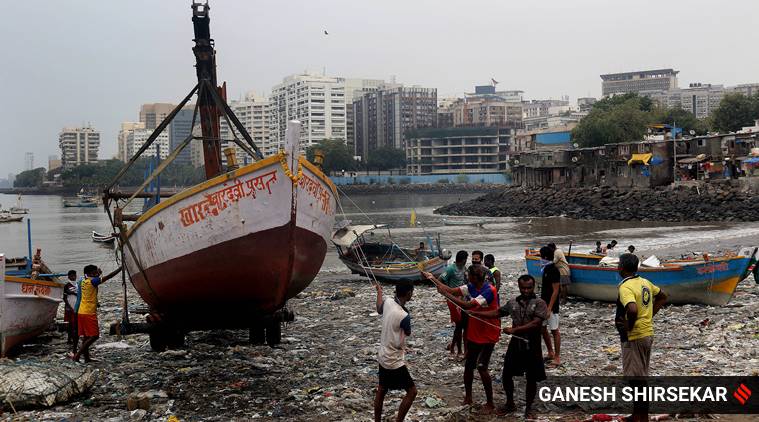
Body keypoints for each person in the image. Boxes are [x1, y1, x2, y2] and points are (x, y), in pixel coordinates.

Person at [425, 265, 500, 413]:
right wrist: (433, 279)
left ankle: (490, 403)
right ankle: (468, 397)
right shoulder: (471, 286)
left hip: (488, 332)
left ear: (475, 277)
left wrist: (445, 295)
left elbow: (467, 305)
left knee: (482, 367)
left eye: (469, 275)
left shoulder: (489, 290)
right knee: (469, 365)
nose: (467, 277)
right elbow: (452, 290)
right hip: (474, 331)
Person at [470, 275, 547, 418]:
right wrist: (477, 313)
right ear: (519, 287)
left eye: (529, 288)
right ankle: (510, 403)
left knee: (531, 378)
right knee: (506, 375)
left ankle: (529, 408)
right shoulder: (513, 303)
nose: (525, 290)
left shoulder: (540, 303)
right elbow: (498, 312)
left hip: (532, 344)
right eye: (523, 288)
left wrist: (514, 330)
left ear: (533, 287)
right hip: (516, 345)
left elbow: (536, 323)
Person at [614, 253, 667, 422]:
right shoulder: (644, 282)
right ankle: (637, 414)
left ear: (621, 267)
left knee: (637, 382)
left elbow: (632, 309)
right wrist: (649, 316)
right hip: (647, 333)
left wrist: (629, 326)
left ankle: (642, 417)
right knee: (640, 376)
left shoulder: (625, 287)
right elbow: (662, 296)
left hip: (634, 337)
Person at [374, 280, 417, 422]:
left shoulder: (388, 302)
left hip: (383, 354)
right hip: (394, 359)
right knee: (412, 391)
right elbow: (408, 332)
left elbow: (379, 308)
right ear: (409, 293)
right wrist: (406, 313)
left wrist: (379, 292)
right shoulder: (404, 315)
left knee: (382, 389)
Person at [73, 265, 121, 363]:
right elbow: (109, 276)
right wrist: (121, 268)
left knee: (86, 336)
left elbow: (96, 280)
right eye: (94, 273)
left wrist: (98, 274)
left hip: (81, 311)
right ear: (90, 274)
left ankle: (86, 358)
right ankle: (77, 356)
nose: (96, 274)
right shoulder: (93, 281)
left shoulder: (83, 281)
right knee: (94, 336)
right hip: (88, 312)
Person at [439, 250, 468, 358]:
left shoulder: (464, 268)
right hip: (453, 300)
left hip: (462, 299)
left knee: (462, 325)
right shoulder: (451, 268)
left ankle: (454, 348)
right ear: (464, 259)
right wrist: (447, 291)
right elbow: (440, 279)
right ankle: (458, 350)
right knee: (459, 325)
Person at [539, 246, 561, 367]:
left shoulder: (553, 270)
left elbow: (556, 290)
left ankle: (557, 357)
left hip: (551, 306)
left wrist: (549, 308)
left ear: (545, 257)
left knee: (554, 330)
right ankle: (550, 352)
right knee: (542, 329)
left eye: (541, 256)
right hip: (543, 304)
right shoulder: (546, 269)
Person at [63, 270, 79, 351]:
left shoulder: (77, 285)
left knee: (74, 324)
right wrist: (69, 306)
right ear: (68, 277)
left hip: (76, 306)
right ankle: (69, 339)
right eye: (71, 276)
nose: (73, 277)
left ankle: (73, 338)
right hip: (69, 307)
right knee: (70, 324)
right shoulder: (67, 286)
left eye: (74, 275)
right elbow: (64, 298)